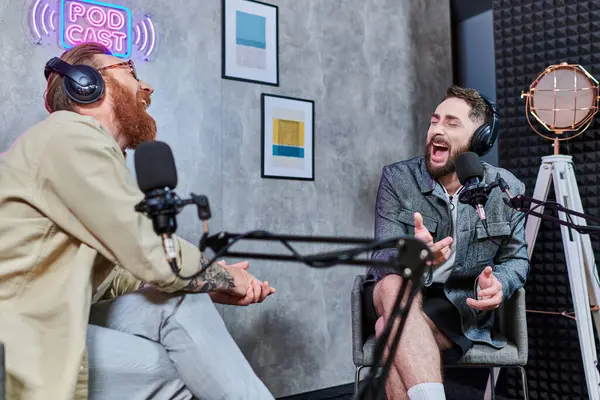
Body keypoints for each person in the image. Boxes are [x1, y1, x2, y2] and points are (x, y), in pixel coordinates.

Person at [0, 42, 275, 400]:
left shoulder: (72, 150)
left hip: (43, 317)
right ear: (87, 84)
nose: (146, 88)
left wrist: (205, 282)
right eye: (130, 71)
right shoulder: (69, 135)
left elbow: (115, 274)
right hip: (16, 335)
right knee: (174, 370)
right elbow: (152, 252)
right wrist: (224, 276)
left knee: (179, 302)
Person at [362, 86, 530, 400]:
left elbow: (516, 259)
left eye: (452, 123)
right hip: (399, 289)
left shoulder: (505, 188)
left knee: (389, 328)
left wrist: (500, 285)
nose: (437, 129)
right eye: (435, 121)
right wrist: (415, 257)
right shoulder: (398, 179)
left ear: (480, 138)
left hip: (457, 305)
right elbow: (383, 254)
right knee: (393, 284)